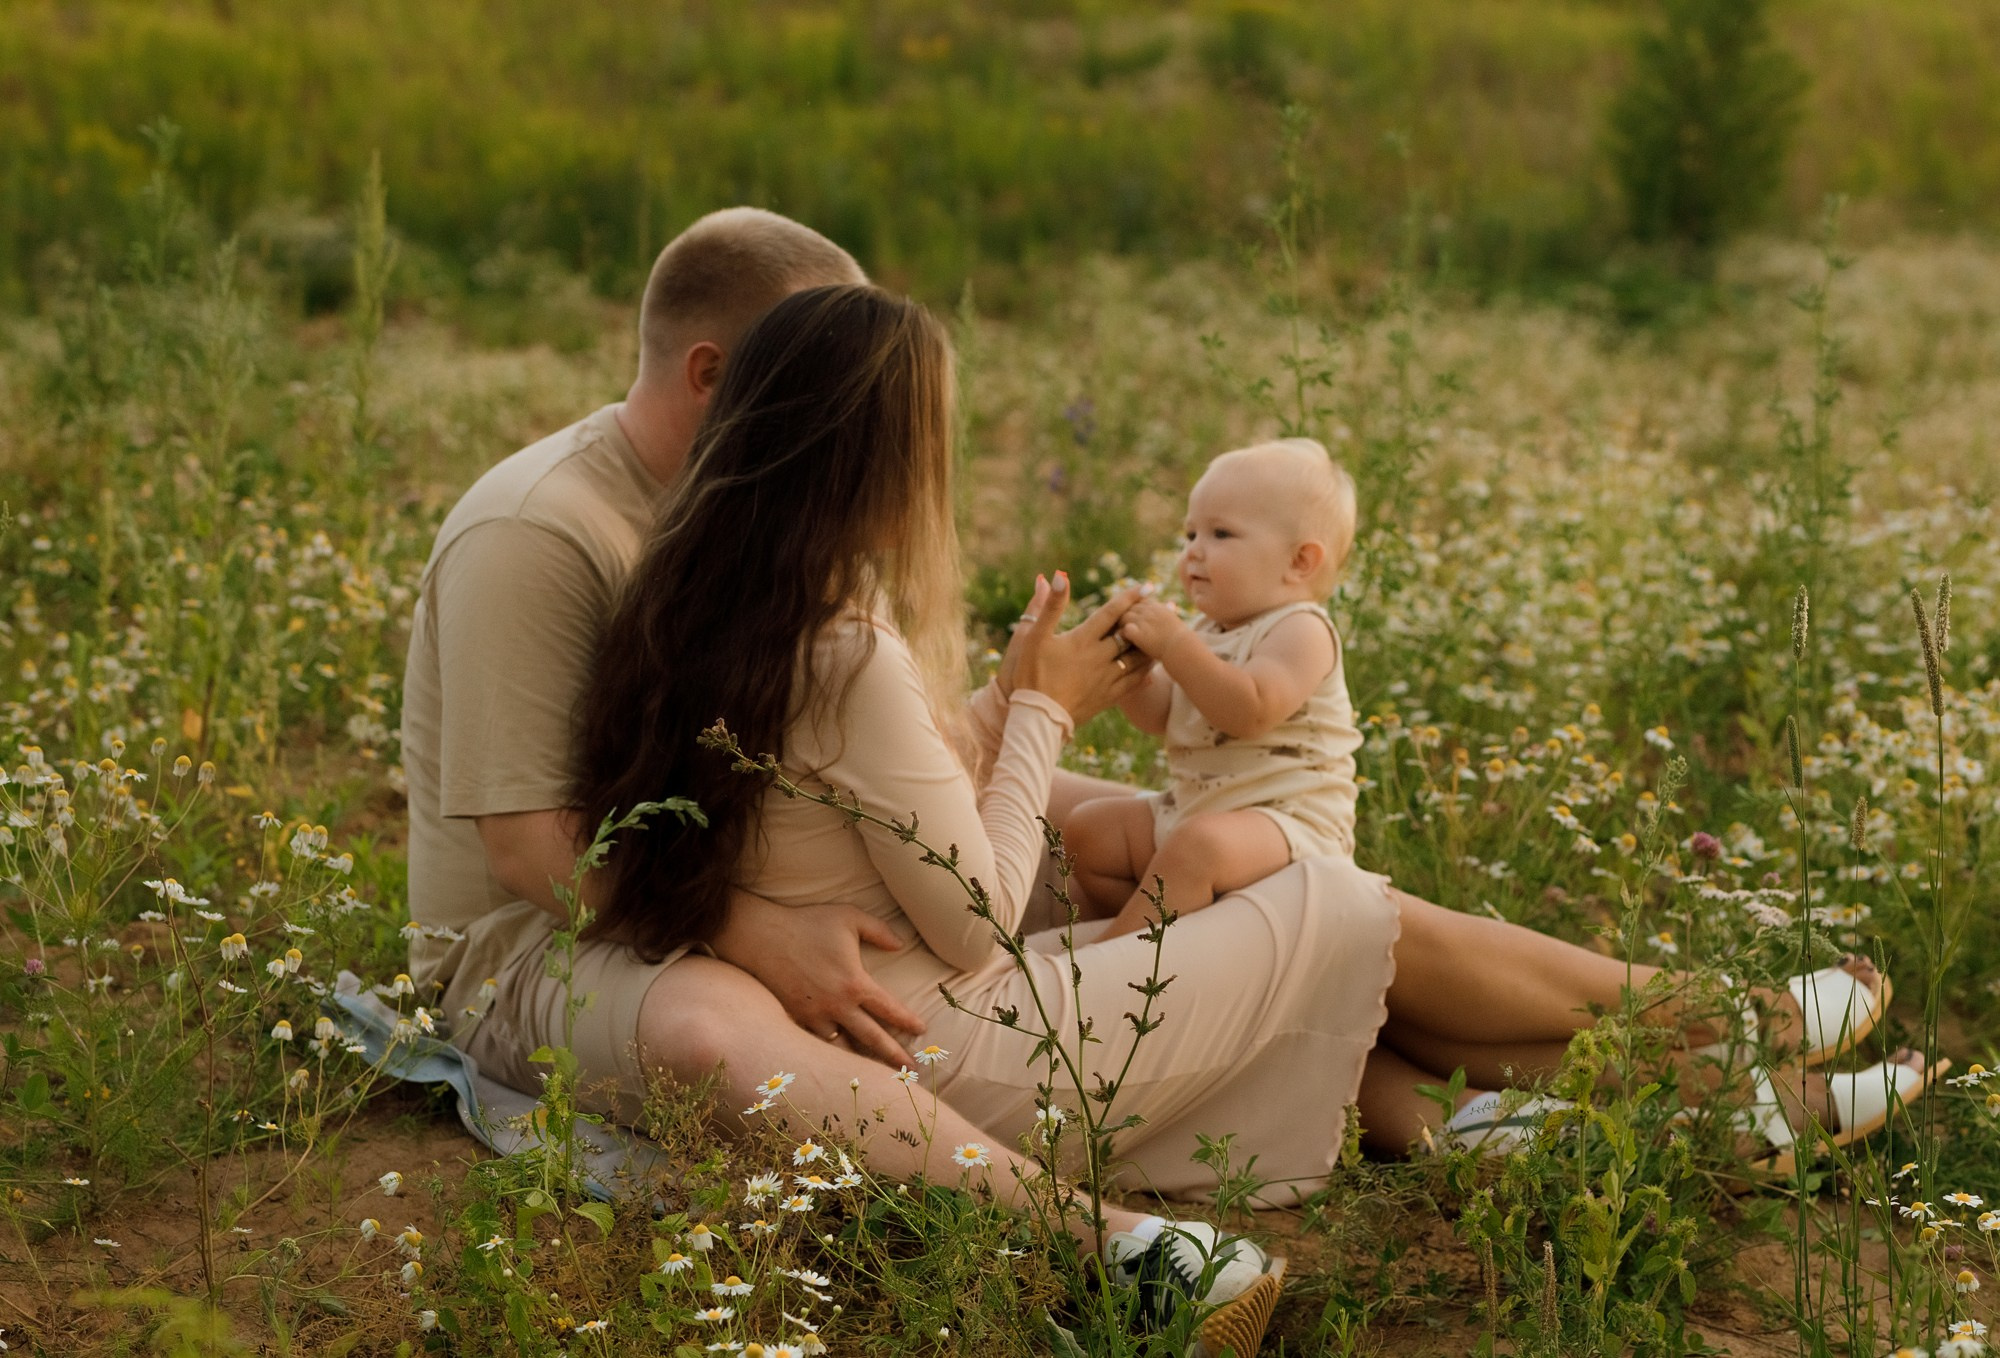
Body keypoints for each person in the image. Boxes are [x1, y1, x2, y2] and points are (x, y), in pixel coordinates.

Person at [566, 282, 1936, 1221]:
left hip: (894, 1025)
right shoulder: (844, 639)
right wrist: (1043, 712)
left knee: (1253, 893)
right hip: (966, 1038)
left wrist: (1000, 699)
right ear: (875, 458)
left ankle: (1645, 1107)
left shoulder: (682, 602)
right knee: (1335, 900)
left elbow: (857, 802)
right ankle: (1710, 1020)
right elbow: (976, 915)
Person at [1063, 437, 1362, 938]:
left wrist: (1176, 644)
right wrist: (1133, 668)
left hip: (1288, 827)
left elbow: (1249, 710)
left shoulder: (1301, 630)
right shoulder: (1208, 634)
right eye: (1189, 534)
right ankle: (1171, 936)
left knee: (1200, 847)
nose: (1193, 552)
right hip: (1197, 816)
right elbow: (1160, 718)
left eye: (1221, 533)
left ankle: (1114, 960)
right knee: (1087, 833)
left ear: (1300, 563)